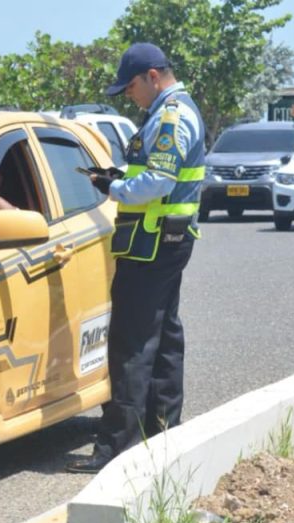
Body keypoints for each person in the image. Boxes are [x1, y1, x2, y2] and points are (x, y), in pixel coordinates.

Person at [66, 42, 206, 473]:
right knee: (163, 337)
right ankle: (161, 434)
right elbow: (154, 172)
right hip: (165, 240)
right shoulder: (169, 112)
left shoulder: (170, 116)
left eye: (130, 87)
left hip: (152, 243)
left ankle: (117, 446)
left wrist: (114, 189)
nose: (129, 96)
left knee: (132, 342)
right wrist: (120, 175)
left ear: (153, 77)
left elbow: (159, 181)